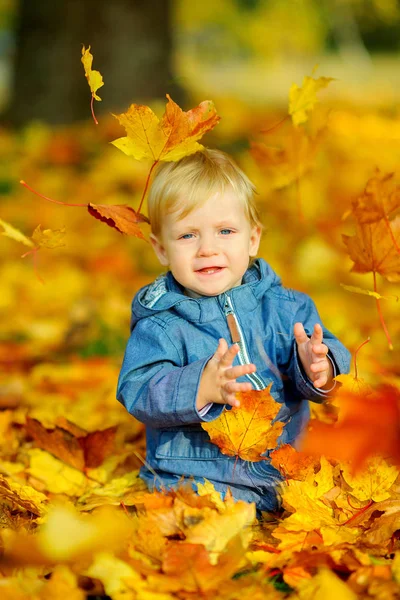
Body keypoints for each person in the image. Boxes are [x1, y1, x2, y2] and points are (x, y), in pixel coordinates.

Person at [116, 148, 351, 512]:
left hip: (287, 467)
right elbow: (136, 388)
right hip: (198, 476)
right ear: (161, 249)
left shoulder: (287, 308)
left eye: (225, 231)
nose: (208, 249)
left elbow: (330, 351)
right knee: (203, 518)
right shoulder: (161, 324)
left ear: (252, 239)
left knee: (332, 498)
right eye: (187, 236)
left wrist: (319, 367)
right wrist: (200, 386)